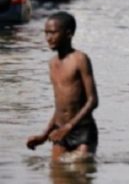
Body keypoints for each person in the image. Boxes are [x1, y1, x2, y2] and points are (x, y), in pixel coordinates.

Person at [26, 12, 99, 162]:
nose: (48, 38)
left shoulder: (80, 59)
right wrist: (44, 135)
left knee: (80, 170)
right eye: (46, 33)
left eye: (53, 33)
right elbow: (60, 107)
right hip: (60, 131)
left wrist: (69, 127)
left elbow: (92, 100)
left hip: (81, 130)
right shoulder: (52, 64)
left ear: (68, 34)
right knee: (57, 174)